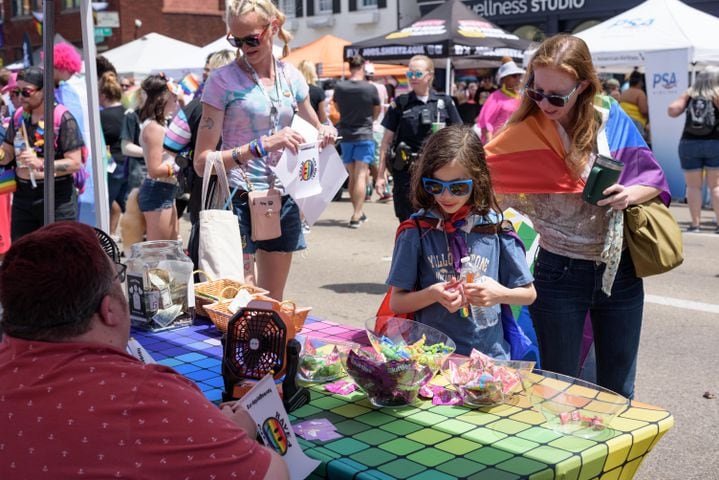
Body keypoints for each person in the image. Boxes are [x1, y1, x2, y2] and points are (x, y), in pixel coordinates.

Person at [0, 221, 288, 479]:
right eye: (119, 278)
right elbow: (273, 474)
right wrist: (238, 434)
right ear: (108, 310)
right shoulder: (147, 398)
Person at [484, 34, 670, 398]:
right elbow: (478, 179)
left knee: (618, 390)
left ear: (583, 85)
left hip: (621, 271)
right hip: (559, 273)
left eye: (557, 96)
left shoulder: (611, 117)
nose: (545, 104)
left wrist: (629, 193)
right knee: (558, 390)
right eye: (537, 92)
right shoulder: (523, 131)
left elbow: (653, 178)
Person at [194, 0, 336, 301]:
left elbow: (315, 122)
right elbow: (202, 162)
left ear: (273, 28)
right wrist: (261, 146)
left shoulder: (291, 76)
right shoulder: (222, 82)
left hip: (283, 198)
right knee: (240, 301)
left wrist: (326, 131)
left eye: (251, 39)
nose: (244, 47)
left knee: (272, 299)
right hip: (238, 200)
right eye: (236, 39)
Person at [385, 125, 536, 357]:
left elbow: (528, 293)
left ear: (477, 180)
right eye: (435, 185)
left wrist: (498, 293)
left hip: (489, 358)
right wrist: (433, 294)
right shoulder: (416, 230)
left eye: (457, 187)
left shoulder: (495, 228)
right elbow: (397, 302)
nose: (445, 196)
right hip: (431, 357)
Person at [163, 49, 238, 271]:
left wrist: (190, 153)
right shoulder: (247, 105)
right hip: (246, 186)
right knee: (242, 253)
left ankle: (208, 300)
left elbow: (171, 143)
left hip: (205, 186)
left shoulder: (197, 106)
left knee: (207, 252)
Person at [0, 66, 83, 240]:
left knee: (58, 253)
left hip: (56, 196)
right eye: (17, 91)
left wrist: (41, 163)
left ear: (44, 90)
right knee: (23, 253)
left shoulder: (62, 118)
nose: (20, 97)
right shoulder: (18, 117)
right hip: (23, 196)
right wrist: (2, 155)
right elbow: (7, 152)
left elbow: (75, 163)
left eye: (26, 92)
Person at [376, 55, 462, 223]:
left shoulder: (444, 102)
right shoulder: (401, 103)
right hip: (406, 173)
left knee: (438, 221)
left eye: (417, 74)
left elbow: (459, 136)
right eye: (410, 74)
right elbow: (386, 141)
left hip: (437, 172)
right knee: (408, 222)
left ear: (429, 75)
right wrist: (380, 176)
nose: (412, 78)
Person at [667, 66, 719, 232]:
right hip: (714, 143)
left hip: (689, 143)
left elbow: (672, 111)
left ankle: (695, 224)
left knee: (693, 186)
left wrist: (688, 94)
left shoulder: (690, 94)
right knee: (716, 186)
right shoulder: (716, 94)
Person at [333, 55, 380, 227]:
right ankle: (357, 213)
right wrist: (370, 121)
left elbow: (337, 107)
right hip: (364, 133)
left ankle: (357, 211)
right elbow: (377, 109)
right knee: (361, 174)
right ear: (363, 67)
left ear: (349, 66)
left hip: (346, 134)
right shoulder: (370, 87)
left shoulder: (340, 87)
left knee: (353, 175)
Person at [137, 74, 181, 241]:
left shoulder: (158, 124)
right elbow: (155, 170)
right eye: (174, 99)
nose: (176, 103)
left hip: (164, 189)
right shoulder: (154, 127)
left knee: (168, 248)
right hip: (158, 189)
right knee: (160, 251)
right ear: (163, 98)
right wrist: (181, 166)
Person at [99, 71, 129, 239]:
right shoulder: (128, 112)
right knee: (123, 203)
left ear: (104, 95)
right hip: (127, 163)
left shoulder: (101, 116)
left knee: (107, 202)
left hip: (113, 165)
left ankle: (107, 235)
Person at [476, 59, 525, 143]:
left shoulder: (522, 97)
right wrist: (490, 145)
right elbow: (486, 123)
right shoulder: (495, 97)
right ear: (503, 80)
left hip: (517, 142)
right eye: (514, 76)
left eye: (519, 75)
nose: (518, 79)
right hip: (498, 143)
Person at [619, 70, 649, 139]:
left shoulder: (624, 93)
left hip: (623, 121)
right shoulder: (640, 93)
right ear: (640, 82)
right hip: (635, 122)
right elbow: (643, 110)